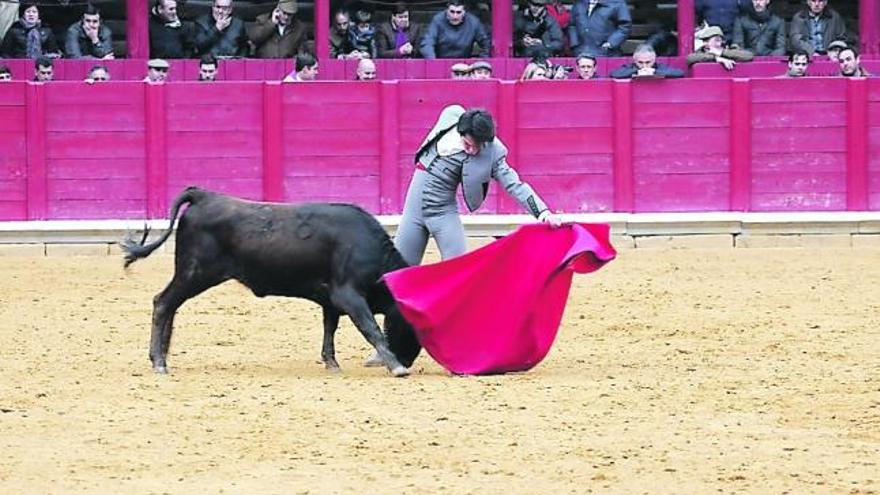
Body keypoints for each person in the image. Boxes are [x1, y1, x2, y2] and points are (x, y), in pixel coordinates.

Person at [420, 0, 490, 59]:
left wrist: (482, 61)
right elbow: (427, 43)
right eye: (452, 12)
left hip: (465, 65)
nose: (455, 16)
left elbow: (486, 43)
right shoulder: (437, 20)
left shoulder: (473, 22)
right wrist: (433, 62)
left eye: (458, 12)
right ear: (447, 11)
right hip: (441, 61)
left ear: (464, 12)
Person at [687, 25, 753, 70]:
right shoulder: (700, 53)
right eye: (716, 40)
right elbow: (690, 59)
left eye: (720, 40)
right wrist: (715, 58)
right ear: (706, 43)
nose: (719, 44)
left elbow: (749, 56)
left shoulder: (728, 51)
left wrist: (722, 52)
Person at [611, 43, 685, 78]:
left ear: (654, 59)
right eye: (640, 62)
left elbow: (679, 73)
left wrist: (654, 71)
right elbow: (614, 74)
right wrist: (636, 71)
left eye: (648, 62)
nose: (644, 66)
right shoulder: (630, 67)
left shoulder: (659, 67)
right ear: (634, 59)